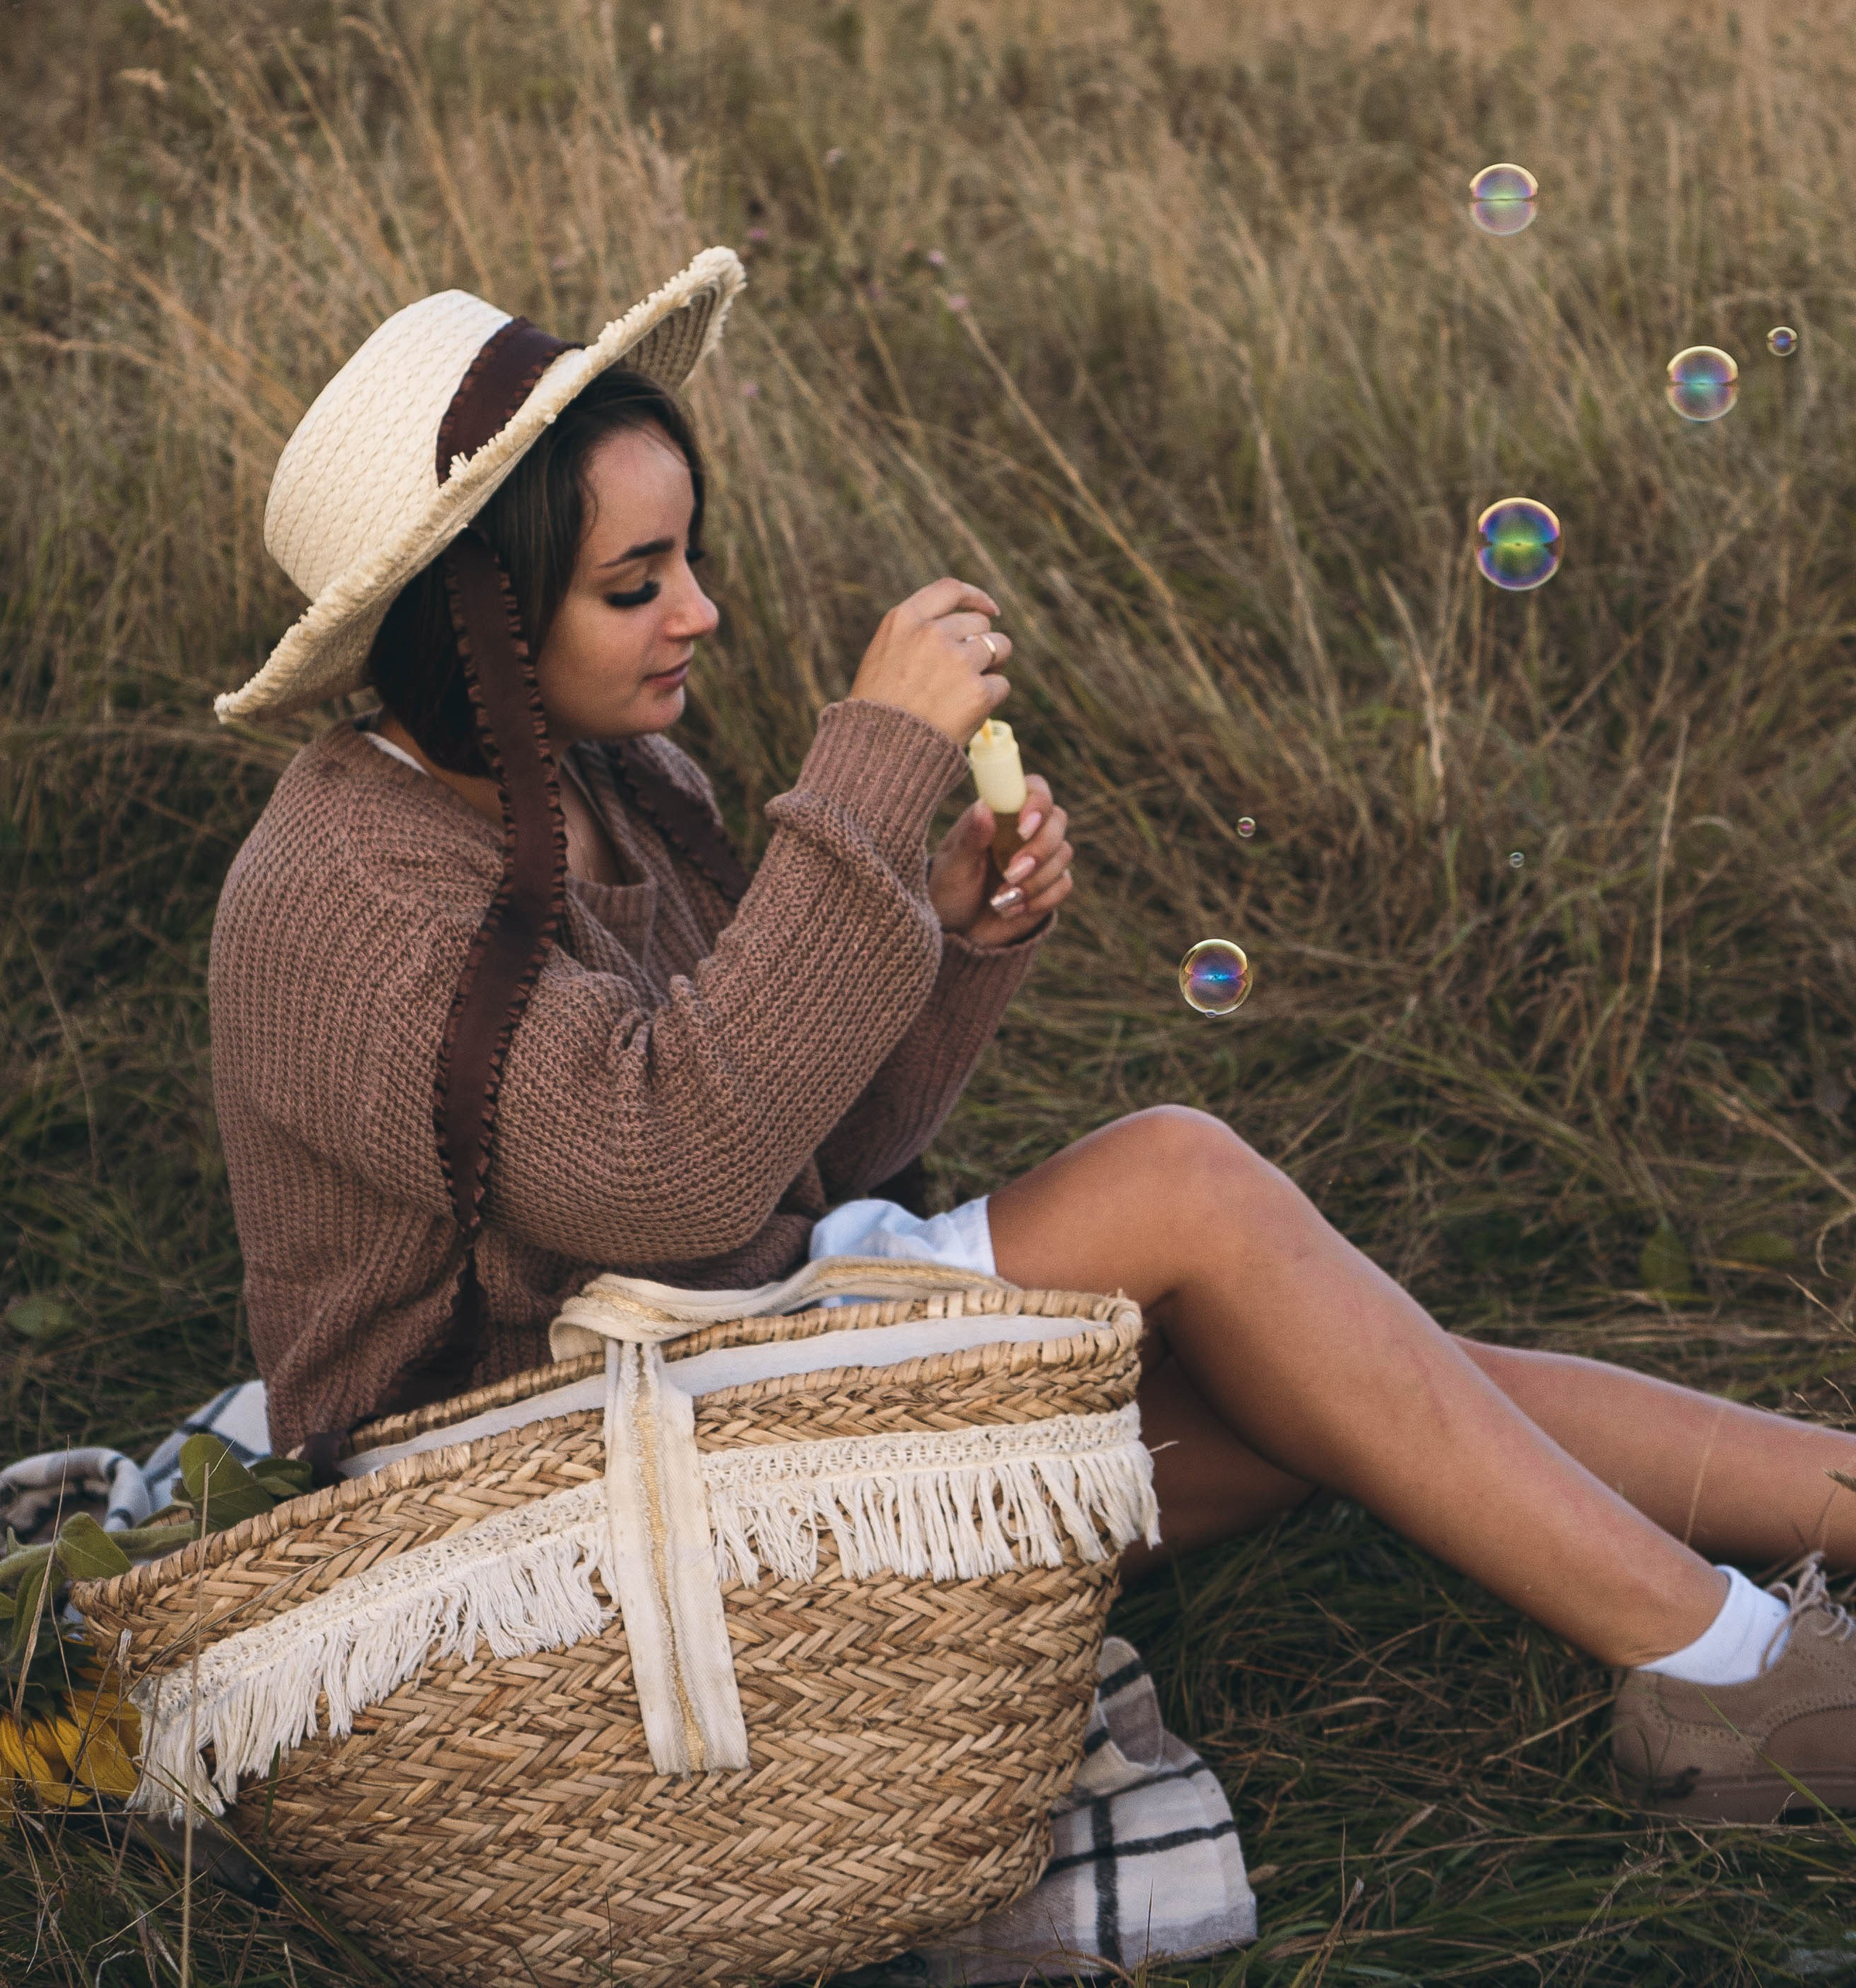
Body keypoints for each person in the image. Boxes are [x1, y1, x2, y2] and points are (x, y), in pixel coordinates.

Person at [210, 252, 1856, 1829]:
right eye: (634, 585)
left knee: (1337, 1380)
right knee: (1180, 1182)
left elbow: (791, 1155)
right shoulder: (345, 892)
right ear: (467, 620)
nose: (698, 613)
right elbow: (660, 1178)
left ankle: (1831, 1509)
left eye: (688, 560)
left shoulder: (616, 789)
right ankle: (1731, 1679)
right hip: (518, 1509)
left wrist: (943, 945)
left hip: (707, 1405)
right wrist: (865, 766)